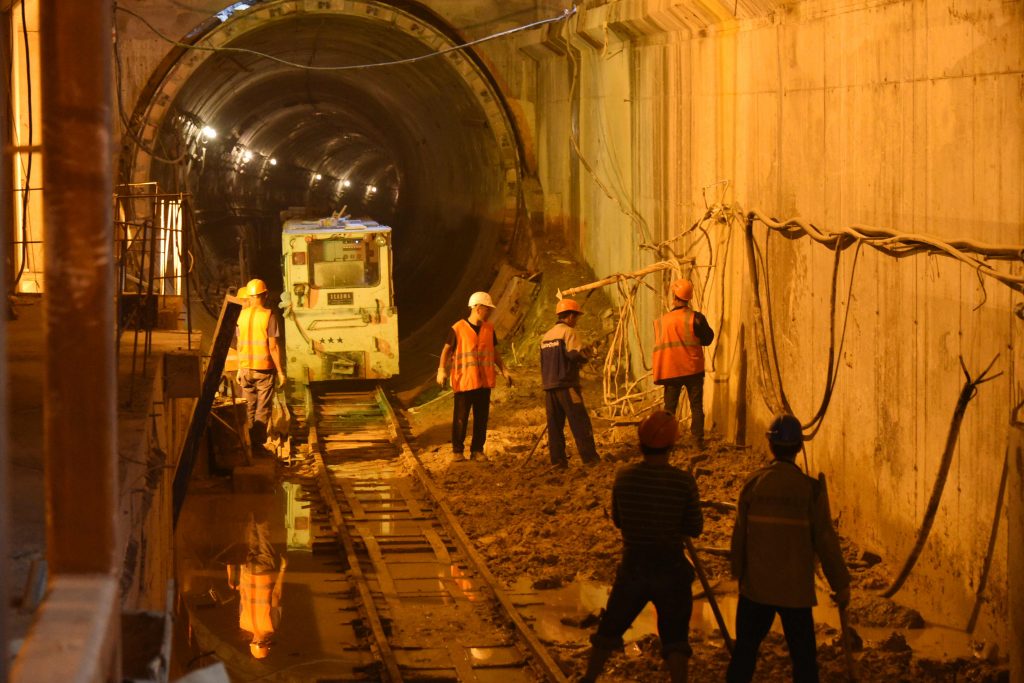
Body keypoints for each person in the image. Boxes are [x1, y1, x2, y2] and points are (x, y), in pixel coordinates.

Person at [726, 413, 851, 683]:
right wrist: (841, 584)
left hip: (756, 588)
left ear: (771, 445)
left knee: (744, 654)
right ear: (799, 447)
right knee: (804, 660)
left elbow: (739, 536)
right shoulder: (811, 490)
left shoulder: (753, 484)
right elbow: (826, 541)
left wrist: (737, 571)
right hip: (795, 591)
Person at [582, 411, 703, 683]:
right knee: (675, 638)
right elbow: (694, 527)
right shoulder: (683, 482)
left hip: (633, 566)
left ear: (640, 444)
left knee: (609, 629)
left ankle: (589, 678)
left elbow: (618, 520)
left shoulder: (624, 478)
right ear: (673, 446)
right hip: (671, 568)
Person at [436, 291, 512, 461]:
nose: (490, 312)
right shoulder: (457, 328)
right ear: (478, 308)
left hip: (484, 383)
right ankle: (457, 451)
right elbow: (446, 350)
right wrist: (441, 369)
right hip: (464, 381)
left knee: (481, 419)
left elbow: (494, 352)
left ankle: (477, 450)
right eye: (487, 309)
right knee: (461, 418)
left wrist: (504, 369)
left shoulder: (489, 329)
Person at [652, 278, 714, 449]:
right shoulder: (696, 318)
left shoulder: (661, 322)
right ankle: (697, 441)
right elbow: (708, 339)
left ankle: (666, 441)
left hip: (671, 371)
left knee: (669, 409)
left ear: (674, 297)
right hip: (692, 369)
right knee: (696, 406)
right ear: (689, 298)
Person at [540, 298, 599, 468]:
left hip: (549, 387)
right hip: (567, 386)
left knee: (555, 426)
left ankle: (558, 461)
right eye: (576, 317)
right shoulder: (569, 333)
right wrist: (587, 355)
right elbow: (574, 356)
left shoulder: (546, 336)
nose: (576, 321)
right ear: (571, 316)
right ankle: (590, 459)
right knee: (580, 422)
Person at [234, 278, 286, 457]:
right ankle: (257, 446)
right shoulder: (268, 315)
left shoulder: (240, 316)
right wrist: (280, 371)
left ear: (249, 297)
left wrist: (240, 368)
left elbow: (239, 343)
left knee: (248, 406)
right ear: (264, 295)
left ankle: (246, 443)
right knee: (262, 408)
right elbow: (273, 346)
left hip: (246, 368)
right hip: (263, 369)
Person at [227, 515, 288, 659]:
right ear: (252, 643)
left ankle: (262, 508)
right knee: (252, 539)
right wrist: (241, 570)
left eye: (267, 645)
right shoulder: (243, 623)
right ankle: (251, 511)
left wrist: (283, 570)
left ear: (263, 644)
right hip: (248, 571)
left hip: (264, 572)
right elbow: (242, 595)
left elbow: (276, 595)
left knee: (263, 536)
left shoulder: (271, 626)